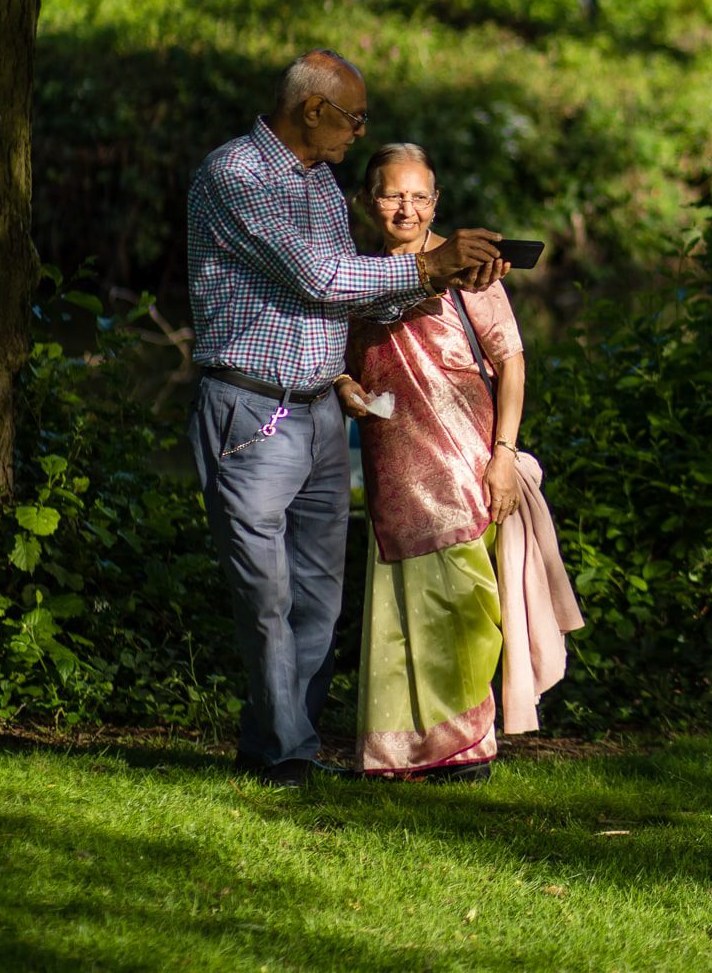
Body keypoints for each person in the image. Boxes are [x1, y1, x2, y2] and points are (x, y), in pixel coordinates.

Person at [186, 49, 507, 788]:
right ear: (312, 110)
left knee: (318, 598)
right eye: (353, 118)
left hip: (324, 412)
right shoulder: (236, 176)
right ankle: (286, 754)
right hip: (251, 411)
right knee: (266, 596)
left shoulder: (326, 188)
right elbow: (319, 275)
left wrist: (448, 276)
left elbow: (350, 298)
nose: (359, 133)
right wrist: (427, 266)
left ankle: (278, 744)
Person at [340, 142, 584, 782]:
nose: (406, 208)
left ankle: (467, 744)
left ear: (437, 202)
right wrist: (344, 388)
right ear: (369, 200)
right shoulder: (353, 273)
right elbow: (336, 355)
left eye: (420, 196)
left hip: (464, 457)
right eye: (393, 194)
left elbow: (511, 361)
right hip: (392, 452)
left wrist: (503, 456)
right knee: (398, 601)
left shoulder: (468, 270)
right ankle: (396, 751)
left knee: (469, 599)